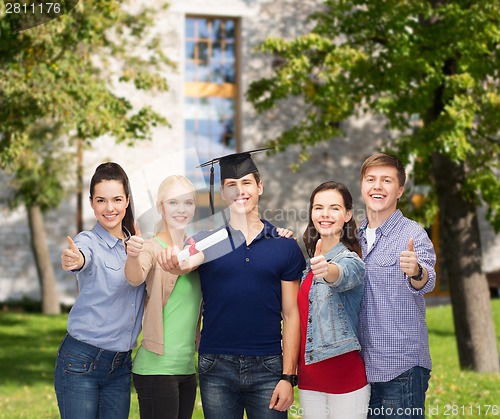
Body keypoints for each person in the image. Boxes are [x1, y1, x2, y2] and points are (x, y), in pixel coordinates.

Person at [158, 149, 306, 419]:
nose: (240, 191)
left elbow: (291, 313)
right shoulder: (206, 240)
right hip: (216, 366)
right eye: (231, 186)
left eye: (247, 183)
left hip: (269, 367)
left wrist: (288, 375)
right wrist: (173, 262)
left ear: (259, 187)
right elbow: (186, 262)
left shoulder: (284, 245)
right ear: (223, 194)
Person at [55, 162, 146, 419]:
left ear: (127, 200)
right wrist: (75, 259)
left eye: (117, 199)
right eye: (101, 200)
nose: (109, 208)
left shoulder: (137, 244)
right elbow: (82, 257)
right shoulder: (88, 241)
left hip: (120, 367)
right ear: (92, 203)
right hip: (80, 361)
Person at [357, 153, 436, 419]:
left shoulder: (412, 234)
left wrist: (416, 271)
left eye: (386, 180)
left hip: (400, 369)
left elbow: (427, 280)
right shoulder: (353, 237)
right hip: (358, 372)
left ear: (400, 190)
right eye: (371, 179)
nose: (377, 186)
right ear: (362, 186)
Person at [124, 175, 202, 419]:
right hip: (156, 369)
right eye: (173, 203)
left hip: (187, 368)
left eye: (188, 203)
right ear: (160, 207)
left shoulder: (197, 250)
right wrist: (134, 255)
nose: (181, 209)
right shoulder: (150, 247)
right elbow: (135, 277)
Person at [298, 181, 370, 419]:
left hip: (344, 379)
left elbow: (341, 275)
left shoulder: (351, 261)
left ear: (347, 214)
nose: (325, 214)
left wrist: (327, 269)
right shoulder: (306, 269)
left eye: (334, 208)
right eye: (318, 208)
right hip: (309, 380)